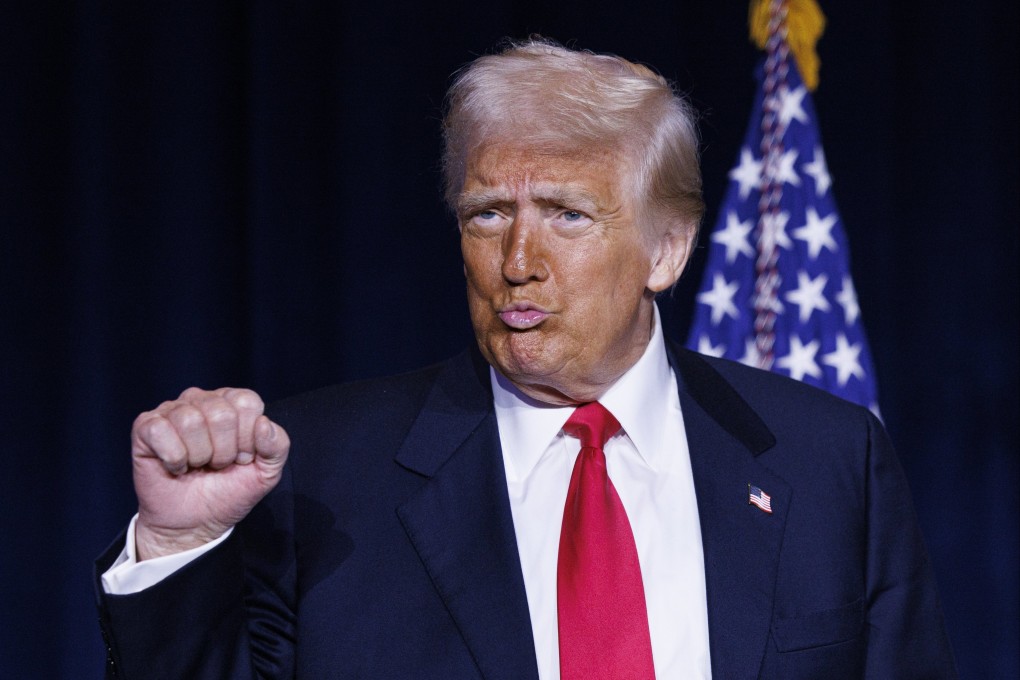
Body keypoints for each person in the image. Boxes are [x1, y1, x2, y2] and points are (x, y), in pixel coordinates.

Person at [95, 39, 956, 679]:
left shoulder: (829, 458)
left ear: (667, 248)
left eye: (567, 215)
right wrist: (181, 540)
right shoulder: (323, 470)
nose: (517, 261)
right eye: (486, 216)